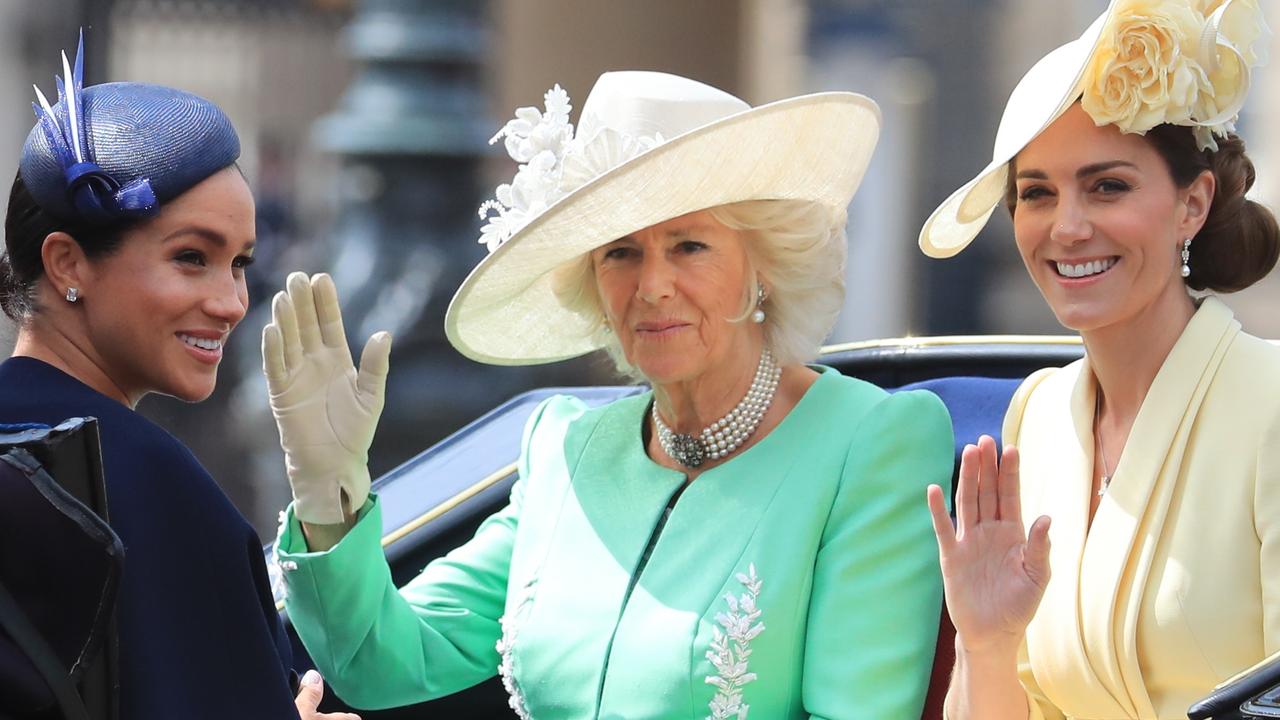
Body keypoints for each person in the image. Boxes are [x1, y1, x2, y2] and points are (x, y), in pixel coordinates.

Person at [267, 71, 954, 718]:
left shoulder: (873, 443)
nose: (651, 285)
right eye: (620, 252)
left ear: (763, 267)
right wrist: (329, 493)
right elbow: (381, 661)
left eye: (689, 245)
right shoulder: (566, 447)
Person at [918, 1, 1280, 718]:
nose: (1068, 227)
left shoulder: (1270, 401)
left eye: (1107, 186)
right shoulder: (1038, 415)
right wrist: (988, 641)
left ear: (1193, 203)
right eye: (1036, 195)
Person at [0, 34, 356, 720]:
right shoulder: (142, 480)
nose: (230, 303)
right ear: (68, 264)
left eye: (241, 264)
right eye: (192, 257)